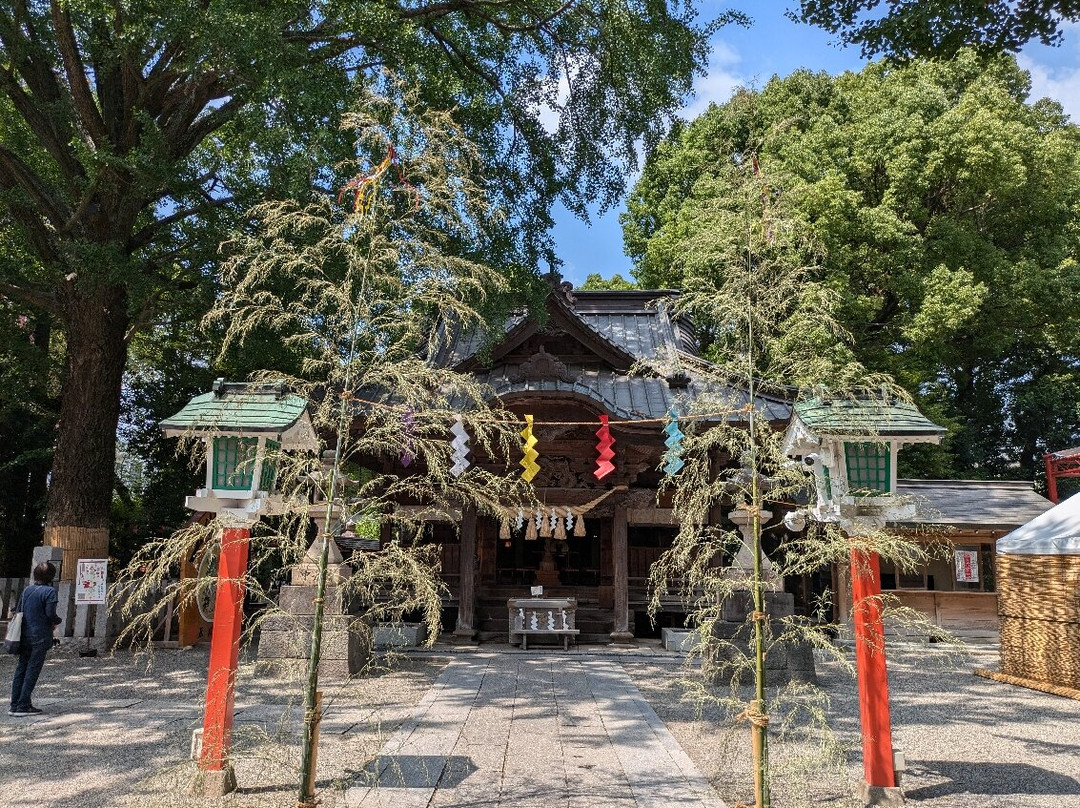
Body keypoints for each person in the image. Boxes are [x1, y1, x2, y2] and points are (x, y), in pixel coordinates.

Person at [9, 561, 62, 717]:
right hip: (40, 635)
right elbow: (50, 614)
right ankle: (24, 705)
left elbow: (19, 610)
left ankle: (14, 704)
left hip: (24, 634)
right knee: (33, 668)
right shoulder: (50, 592)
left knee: (21, 668)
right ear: (51, 576)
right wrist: (57, 621)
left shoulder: (26, 590)